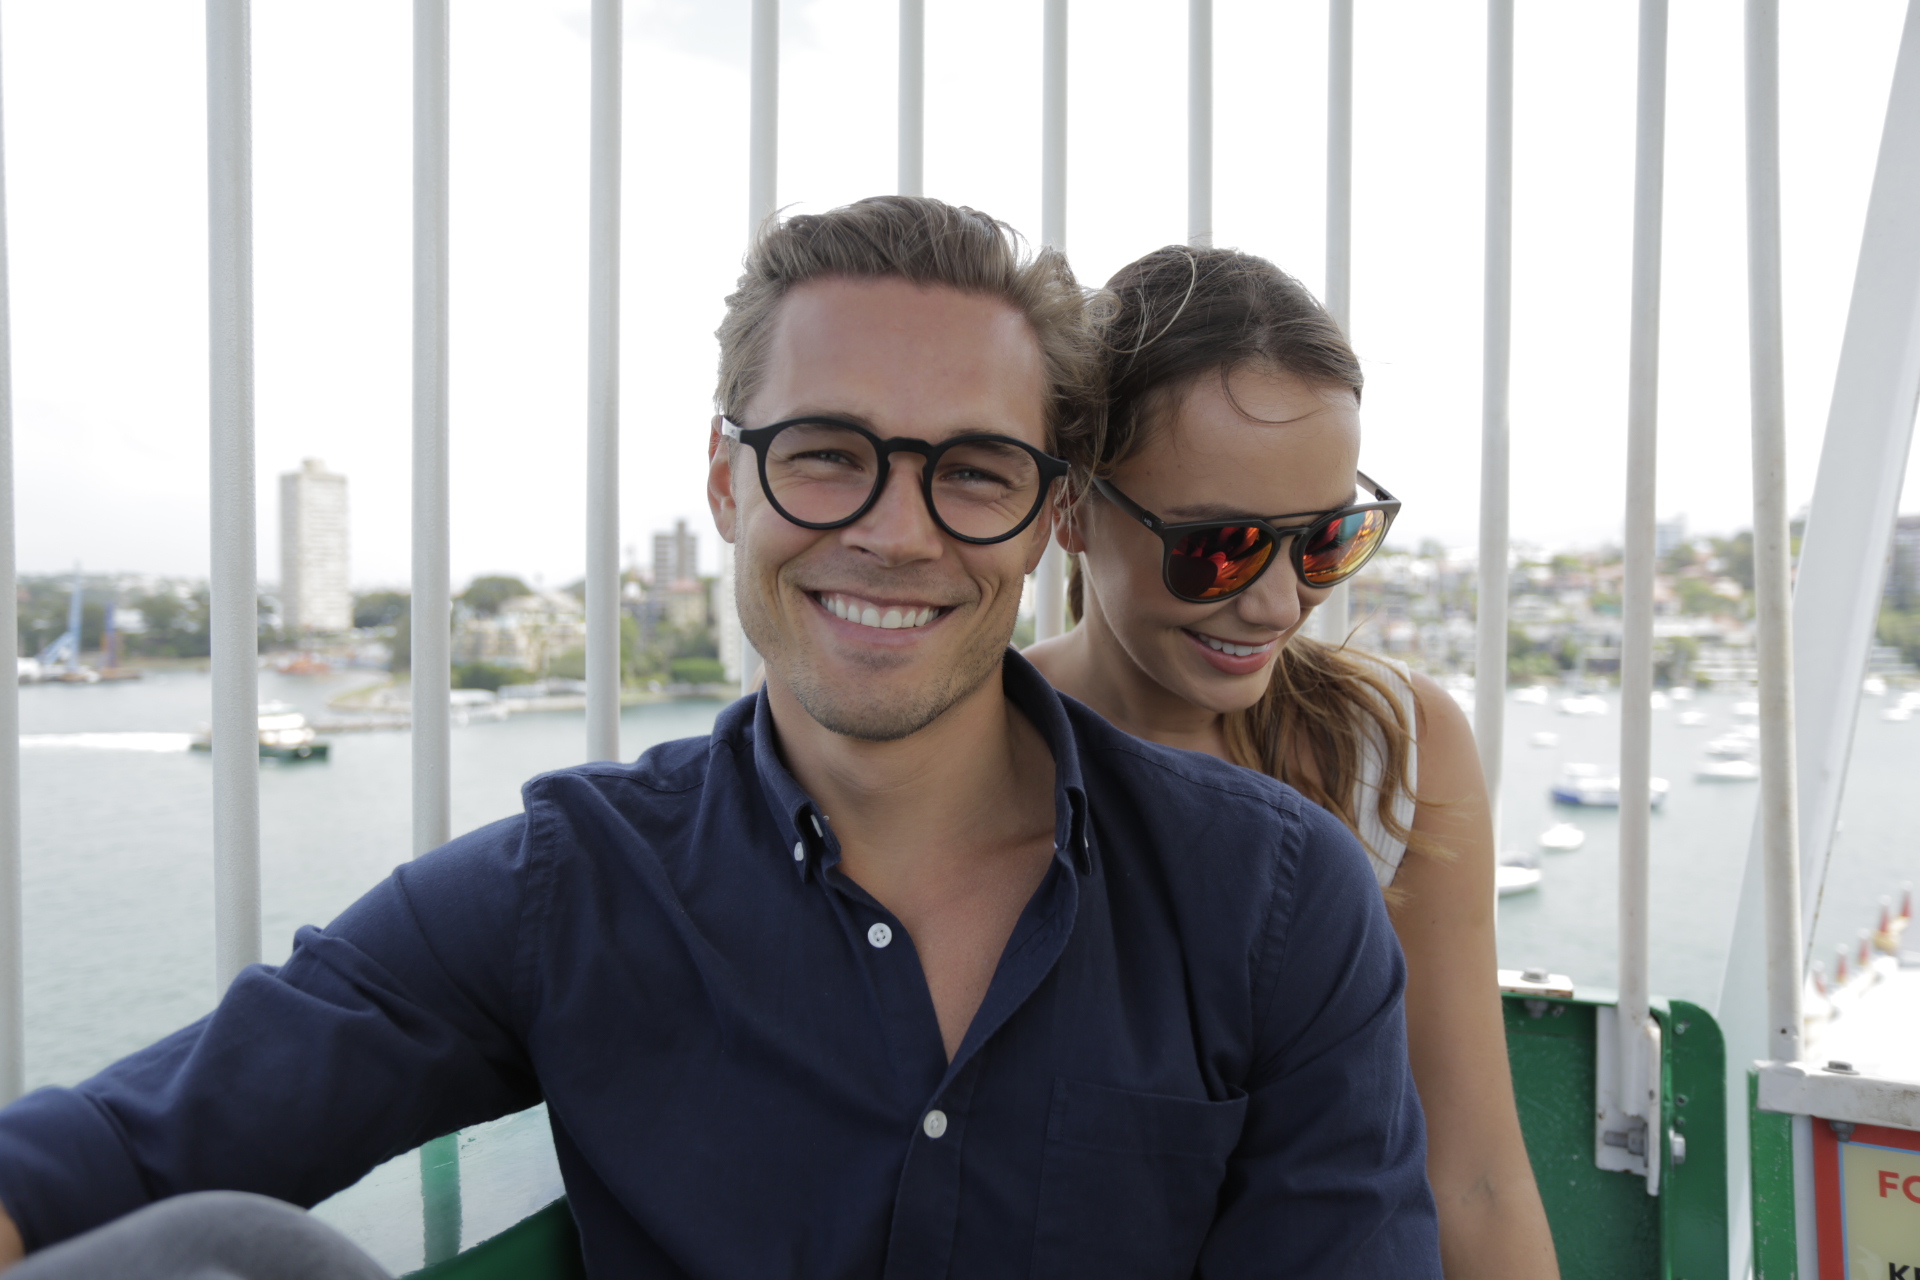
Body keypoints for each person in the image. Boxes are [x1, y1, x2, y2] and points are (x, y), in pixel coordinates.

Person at [0, 199, 1440, 1278]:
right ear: (725, 483)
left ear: (1048, 515)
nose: (893, 532)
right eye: (826, 453)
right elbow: (128, 1148)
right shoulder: (576, 888)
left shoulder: (1268, 901)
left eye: (973, 470)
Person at [1026, 245, 1559, 1279]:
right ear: (1072, 506)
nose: (1278, 603)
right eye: (1216, 547)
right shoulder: (980, 751)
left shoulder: (1393, 747)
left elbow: (1476, 1174)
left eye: (1325, 540)